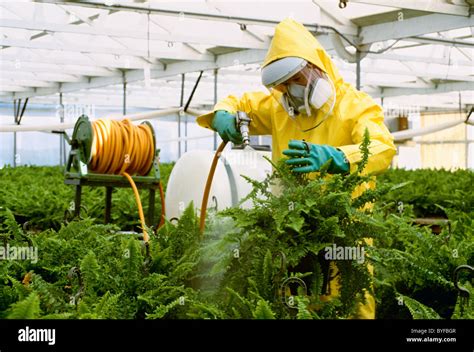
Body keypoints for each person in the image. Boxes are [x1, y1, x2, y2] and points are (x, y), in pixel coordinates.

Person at [197, 18, 396, 319]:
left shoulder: (355, 106)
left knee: (351, 303)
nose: (289, 91)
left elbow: (382, 149)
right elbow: (240, 103)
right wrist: (223, 115)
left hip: (344, 233)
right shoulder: (279, 108)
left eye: (295, 80)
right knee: (294, 302)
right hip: (291, 231)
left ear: (316, 70)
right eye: (282, 85)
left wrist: (337, 158)